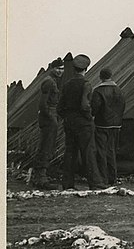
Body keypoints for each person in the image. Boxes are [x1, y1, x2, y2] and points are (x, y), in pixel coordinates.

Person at [57, 54, 106, 190]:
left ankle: (67, 184)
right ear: (86, 69)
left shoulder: (66, 85)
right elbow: (85, 105)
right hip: (83, 123)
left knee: (70, 152)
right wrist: (89, 117)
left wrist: (67, 117)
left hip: (69, 122)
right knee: (88, 152)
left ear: (74, 69)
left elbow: (59, 107)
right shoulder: (86, 84)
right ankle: (95, 183)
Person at [31, 58, 64, 190]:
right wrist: (50, 118)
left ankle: (39, 176)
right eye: (58, 69)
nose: (60, 71)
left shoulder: (52, 81)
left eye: (62, 69)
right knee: (46, 146)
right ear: (52, 69)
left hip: (51, 115)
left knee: (48, 145)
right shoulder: (49, 82)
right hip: (49, 116)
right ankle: (41, 178)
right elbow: (43, 104)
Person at [91, 68, 126, 186]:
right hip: (116, 124)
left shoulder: (98, 91)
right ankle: (113, 178)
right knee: (111, 150)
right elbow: (122, 106)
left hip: (102, 124)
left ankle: (103, 178)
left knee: (101, 151)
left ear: (100, 77)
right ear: (111, 76)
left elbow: (94, 109)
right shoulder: (119, 90)